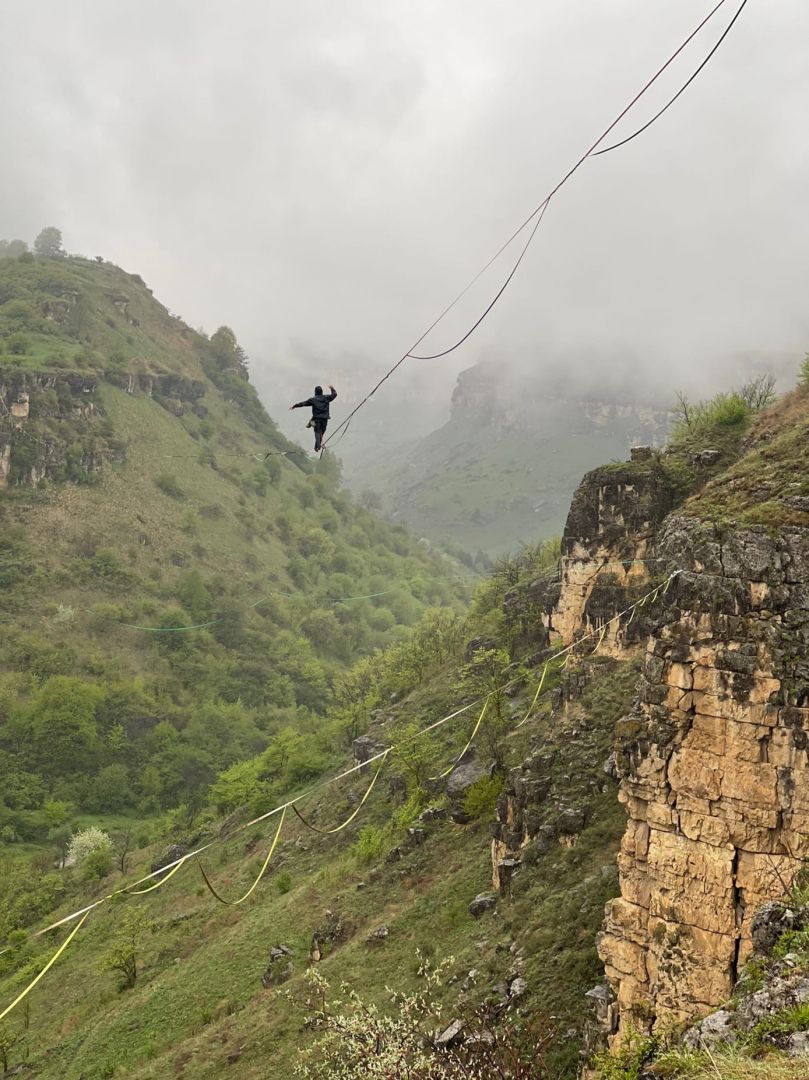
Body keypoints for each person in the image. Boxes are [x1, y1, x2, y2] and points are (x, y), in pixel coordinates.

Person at [290, 384, 337, 452]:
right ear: (322, 392)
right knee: (321, 433)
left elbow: (303, 403)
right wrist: (332, 388)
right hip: (324, 419)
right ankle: (317, 446)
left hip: (317, 420)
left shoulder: (313, 400)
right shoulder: (327, 397)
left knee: (318, 433)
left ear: (315, 392)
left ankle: (316, 446)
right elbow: (334, 394)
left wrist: (295, 406)